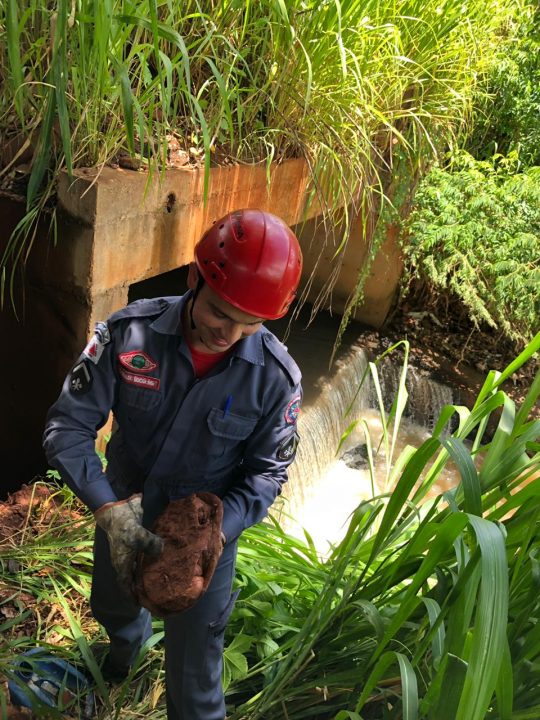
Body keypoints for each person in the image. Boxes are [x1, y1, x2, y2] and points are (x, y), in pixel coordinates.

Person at [43, 208, 303, 720]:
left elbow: (266, 474)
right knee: (113, 609)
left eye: (251, 323)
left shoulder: (275, 380)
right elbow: (66, 428)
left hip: (206, 545)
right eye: (221, 313)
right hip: (124, 516)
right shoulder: (127, 335)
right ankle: (122, 660)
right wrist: (107, 509)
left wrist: (214, 535)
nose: (230, 333)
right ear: (194, 278)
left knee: (196, 671)